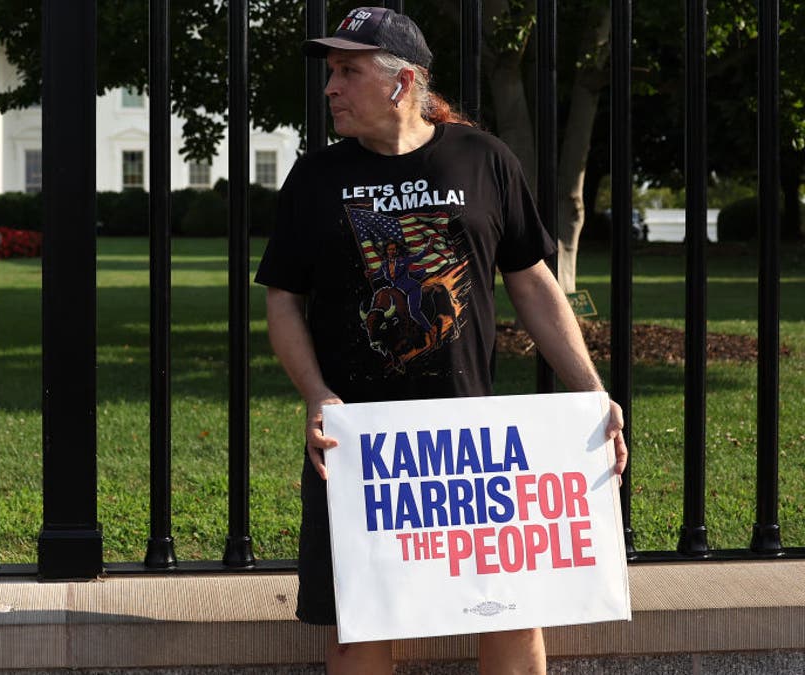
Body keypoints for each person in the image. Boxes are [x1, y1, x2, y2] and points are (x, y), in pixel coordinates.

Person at [253, 7, 629, 675]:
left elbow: (533, 283)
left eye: (348, 71)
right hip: (358, 443)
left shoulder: (483, 159)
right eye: (331, 73)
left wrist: (591, 393)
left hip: (468, 444)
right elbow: (283, 297)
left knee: (512, 611)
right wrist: (317, 395)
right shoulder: (315, 179)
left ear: (401, 84)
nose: (330, 88)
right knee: (358, 628)